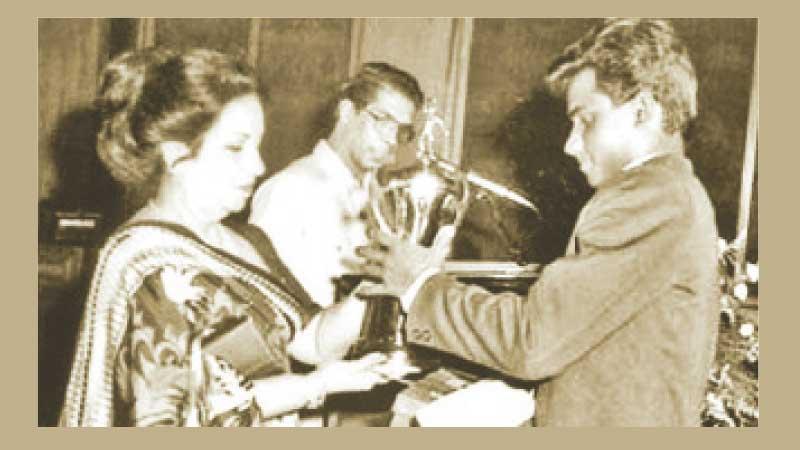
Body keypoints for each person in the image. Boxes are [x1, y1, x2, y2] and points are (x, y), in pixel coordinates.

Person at [360, 18, 721, 426]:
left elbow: (532, 341)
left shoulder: (652, 199)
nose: (570, 144)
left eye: (587, 120)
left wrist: (419, 285)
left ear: (643, 112)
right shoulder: (667, 193)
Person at [59, 47, 399, 427]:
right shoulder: (148, 265)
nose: (258, 166)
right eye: (235, 148)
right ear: (175, 155)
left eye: (256, 146)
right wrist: (318, 384)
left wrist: (384, 281)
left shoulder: (247, 241)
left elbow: (314, 339)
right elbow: (181, 415)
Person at [249, 62, 424, 308]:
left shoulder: (384, 202)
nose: (391, 140)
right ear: (346, 112)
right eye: (382, 120)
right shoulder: (289, 191)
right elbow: (267, 304)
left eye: (401, 131)